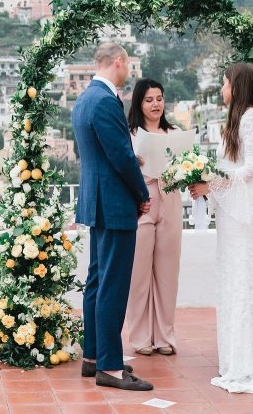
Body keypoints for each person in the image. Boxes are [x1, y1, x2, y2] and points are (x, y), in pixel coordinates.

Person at [189, 62, 253, 397]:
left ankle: (248, 361)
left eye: (224, 81)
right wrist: (205, 182)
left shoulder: (252, 118)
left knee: (242, 280)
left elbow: (249, 169)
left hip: (242, 212)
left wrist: (212, 185)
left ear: (238, 85)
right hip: (230, 213)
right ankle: (234, 358)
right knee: (230, 280)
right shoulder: (236, 119)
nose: (221, 87)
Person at [72, 42, 154, 391]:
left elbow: (95, 152)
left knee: (97, 280)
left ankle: (92, 357)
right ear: (118, 62)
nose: (129, 72)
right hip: (115, 204)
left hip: (97, 201)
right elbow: (120, 154)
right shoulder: (105, 100)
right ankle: (110, 366)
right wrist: (142, 193)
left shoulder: (83, 99)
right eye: (128, 65)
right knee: (113, 285)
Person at [126, 79, 183, 356]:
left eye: (159, 98)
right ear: (139, 103)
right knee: (138, 274)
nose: (155, 104)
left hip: (171, 199)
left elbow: (186, 165)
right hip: (142, 203)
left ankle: (164, 336)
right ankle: (139, 338)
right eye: (149, 99)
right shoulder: (130, 134)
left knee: (168, 273)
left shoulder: (174, 132)